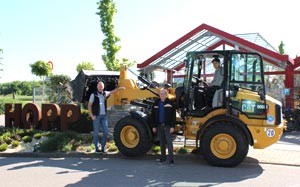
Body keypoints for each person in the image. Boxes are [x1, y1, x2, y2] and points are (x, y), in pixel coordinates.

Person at [87, 81, 125, 153]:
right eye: (99, 86)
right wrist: (91, 115)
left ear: (103, 87)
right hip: (96, 116)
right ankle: (97, 147)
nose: (101, 87)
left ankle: (103, 146)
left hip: (104, 116)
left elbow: (112, 92)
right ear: (97, 87)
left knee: (106, 131)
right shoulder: (93, 95)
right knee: (96, 133)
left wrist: (120, 89)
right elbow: (89, 105)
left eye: (102, 86)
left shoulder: (105, 93)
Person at [151, 88, 176, 166]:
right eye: (161, 94)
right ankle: (163, 158)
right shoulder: (156, 103)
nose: (162, 95)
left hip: (167, 126)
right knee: (162, 143)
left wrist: (172, 126)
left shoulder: (170, 103)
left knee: (169, 143)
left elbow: (173, 116)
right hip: (159, 126)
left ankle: (171, 160)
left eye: (163, 93)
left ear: (166, 95)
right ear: (159, 95)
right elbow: (153, 116)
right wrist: (154, 126)